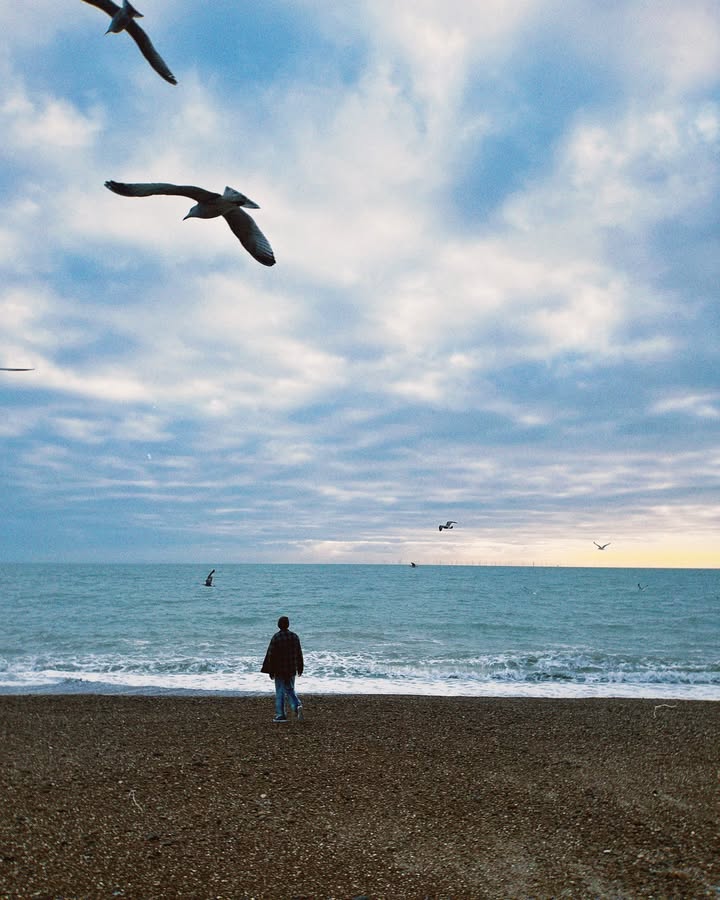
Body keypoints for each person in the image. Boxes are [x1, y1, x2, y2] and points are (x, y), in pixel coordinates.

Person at [261, 615, 304, 723]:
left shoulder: (276, 637)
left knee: (280, 691)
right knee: (290, 689)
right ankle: (297, 706)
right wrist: (300, 667)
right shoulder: (294, 637)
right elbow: (299, 653)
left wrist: (270, 670)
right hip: (291, 669)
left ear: (279, 625)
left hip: (279, 670)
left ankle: (280, 715)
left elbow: (271, 655)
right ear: (288, 625)